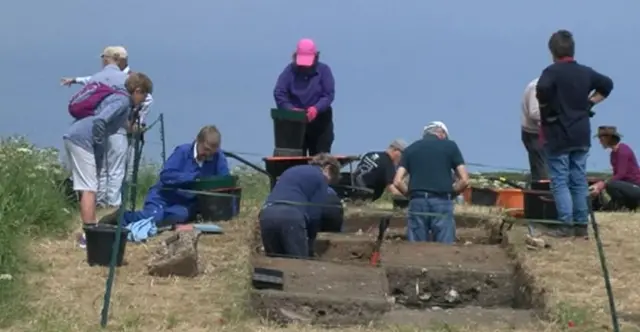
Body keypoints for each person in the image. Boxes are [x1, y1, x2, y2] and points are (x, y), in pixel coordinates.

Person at [536, 30, 614, 238]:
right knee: (578, 179)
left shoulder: (551, 72)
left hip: (558, 134)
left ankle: (565, 225)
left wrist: (547, 108)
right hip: (581, 133)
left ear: (552, 51)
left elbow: (542, 88)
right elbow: (607, 85)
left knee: (560, 180)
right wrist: (589, 102)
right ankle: (581, 225)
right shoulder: (585, 72)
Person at [64, 72, 153, 248]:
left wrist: (136, 129)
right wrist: (98, 149)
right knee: (89, 187)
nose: (143, 101)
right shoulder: (122, 101)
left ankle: (89, 232)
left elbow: (118, 123)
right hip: (82, 140)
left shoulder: (118, 98)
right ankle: (89, 236)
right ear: (137, 91)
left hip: (77, 136)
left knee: (89, 186)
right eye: (144, 96)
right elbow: (100, 121)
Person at [61, 46, 154, 211]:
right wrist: (97, 143)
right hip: (98, 134)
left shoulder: (103, 78)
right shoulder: (124, 93)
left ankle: (101, 203)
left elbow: (89, 82)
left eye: (104, 57)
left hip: (83, 132)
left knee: (100, 171)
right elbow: (101, 120)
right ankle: (110, 206)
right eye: (144, 95)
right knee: (113, 169)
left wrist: (74, 80)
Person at [100, 126, 230, 226]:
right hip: (163, 197)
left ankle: (157, 224)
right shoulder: (183, 152)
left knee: (180, 216)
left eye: (212, 152)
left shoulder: (218, 158)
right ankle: (120, 218)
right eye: (206, 150)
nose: (208, 155)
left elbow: (225, 182)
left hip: (185, 204)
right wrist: (192, 178)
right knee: (155, 216)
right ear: (198, 140)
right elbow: (166, 176)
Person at [392, 121, 469, 244]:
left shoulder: (410, 149)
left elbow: (397, 181)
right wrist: (452, 193)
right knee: (444, 248)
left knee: (415, 250)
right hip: (442, 201)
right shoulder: (450, 146)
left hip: (417, 201)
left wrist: (411, 195)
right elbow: (464, 180)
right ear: (442, 133)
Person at [259, 153, 341, 259]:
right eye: (330, 179)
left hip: (266, 214)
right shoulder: (320, 177)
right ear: (328, 168)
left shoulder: (291, 170)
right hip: (290, 216)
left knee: (275, 263)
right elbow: (314, 214)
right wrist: (310, 243)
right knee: (298, 265)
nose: (327, 184)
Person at [273, 38, 335, 156]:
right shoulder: (289, 71)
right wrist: (290, 109)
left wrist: (316, 108)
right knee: (295, 157)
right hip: (295, 122)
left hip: (320, 121)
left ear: (316, 57)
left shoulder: (324, 71)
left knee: (320, 157)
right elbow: (279, 92)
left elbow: (328, 95)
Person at [590, 126, 640, 211]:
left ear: (608, 138)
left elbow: (621, 174)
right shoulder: (614, 153)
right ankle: (619, 206)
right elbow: (617, 175)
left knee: (611, 185)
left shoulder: (623, 151)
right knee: (609, 184)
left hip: (636, 187)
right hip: (627, 186)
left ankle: (625, 206)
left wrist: (602, 184)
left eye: (601, 139)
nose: (600, 142)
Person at [521, 77, 547, 181]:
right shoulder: (536, 87)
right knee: (543, 175)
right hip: (536, 134)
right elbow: (535, 113)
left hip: (551, 134)